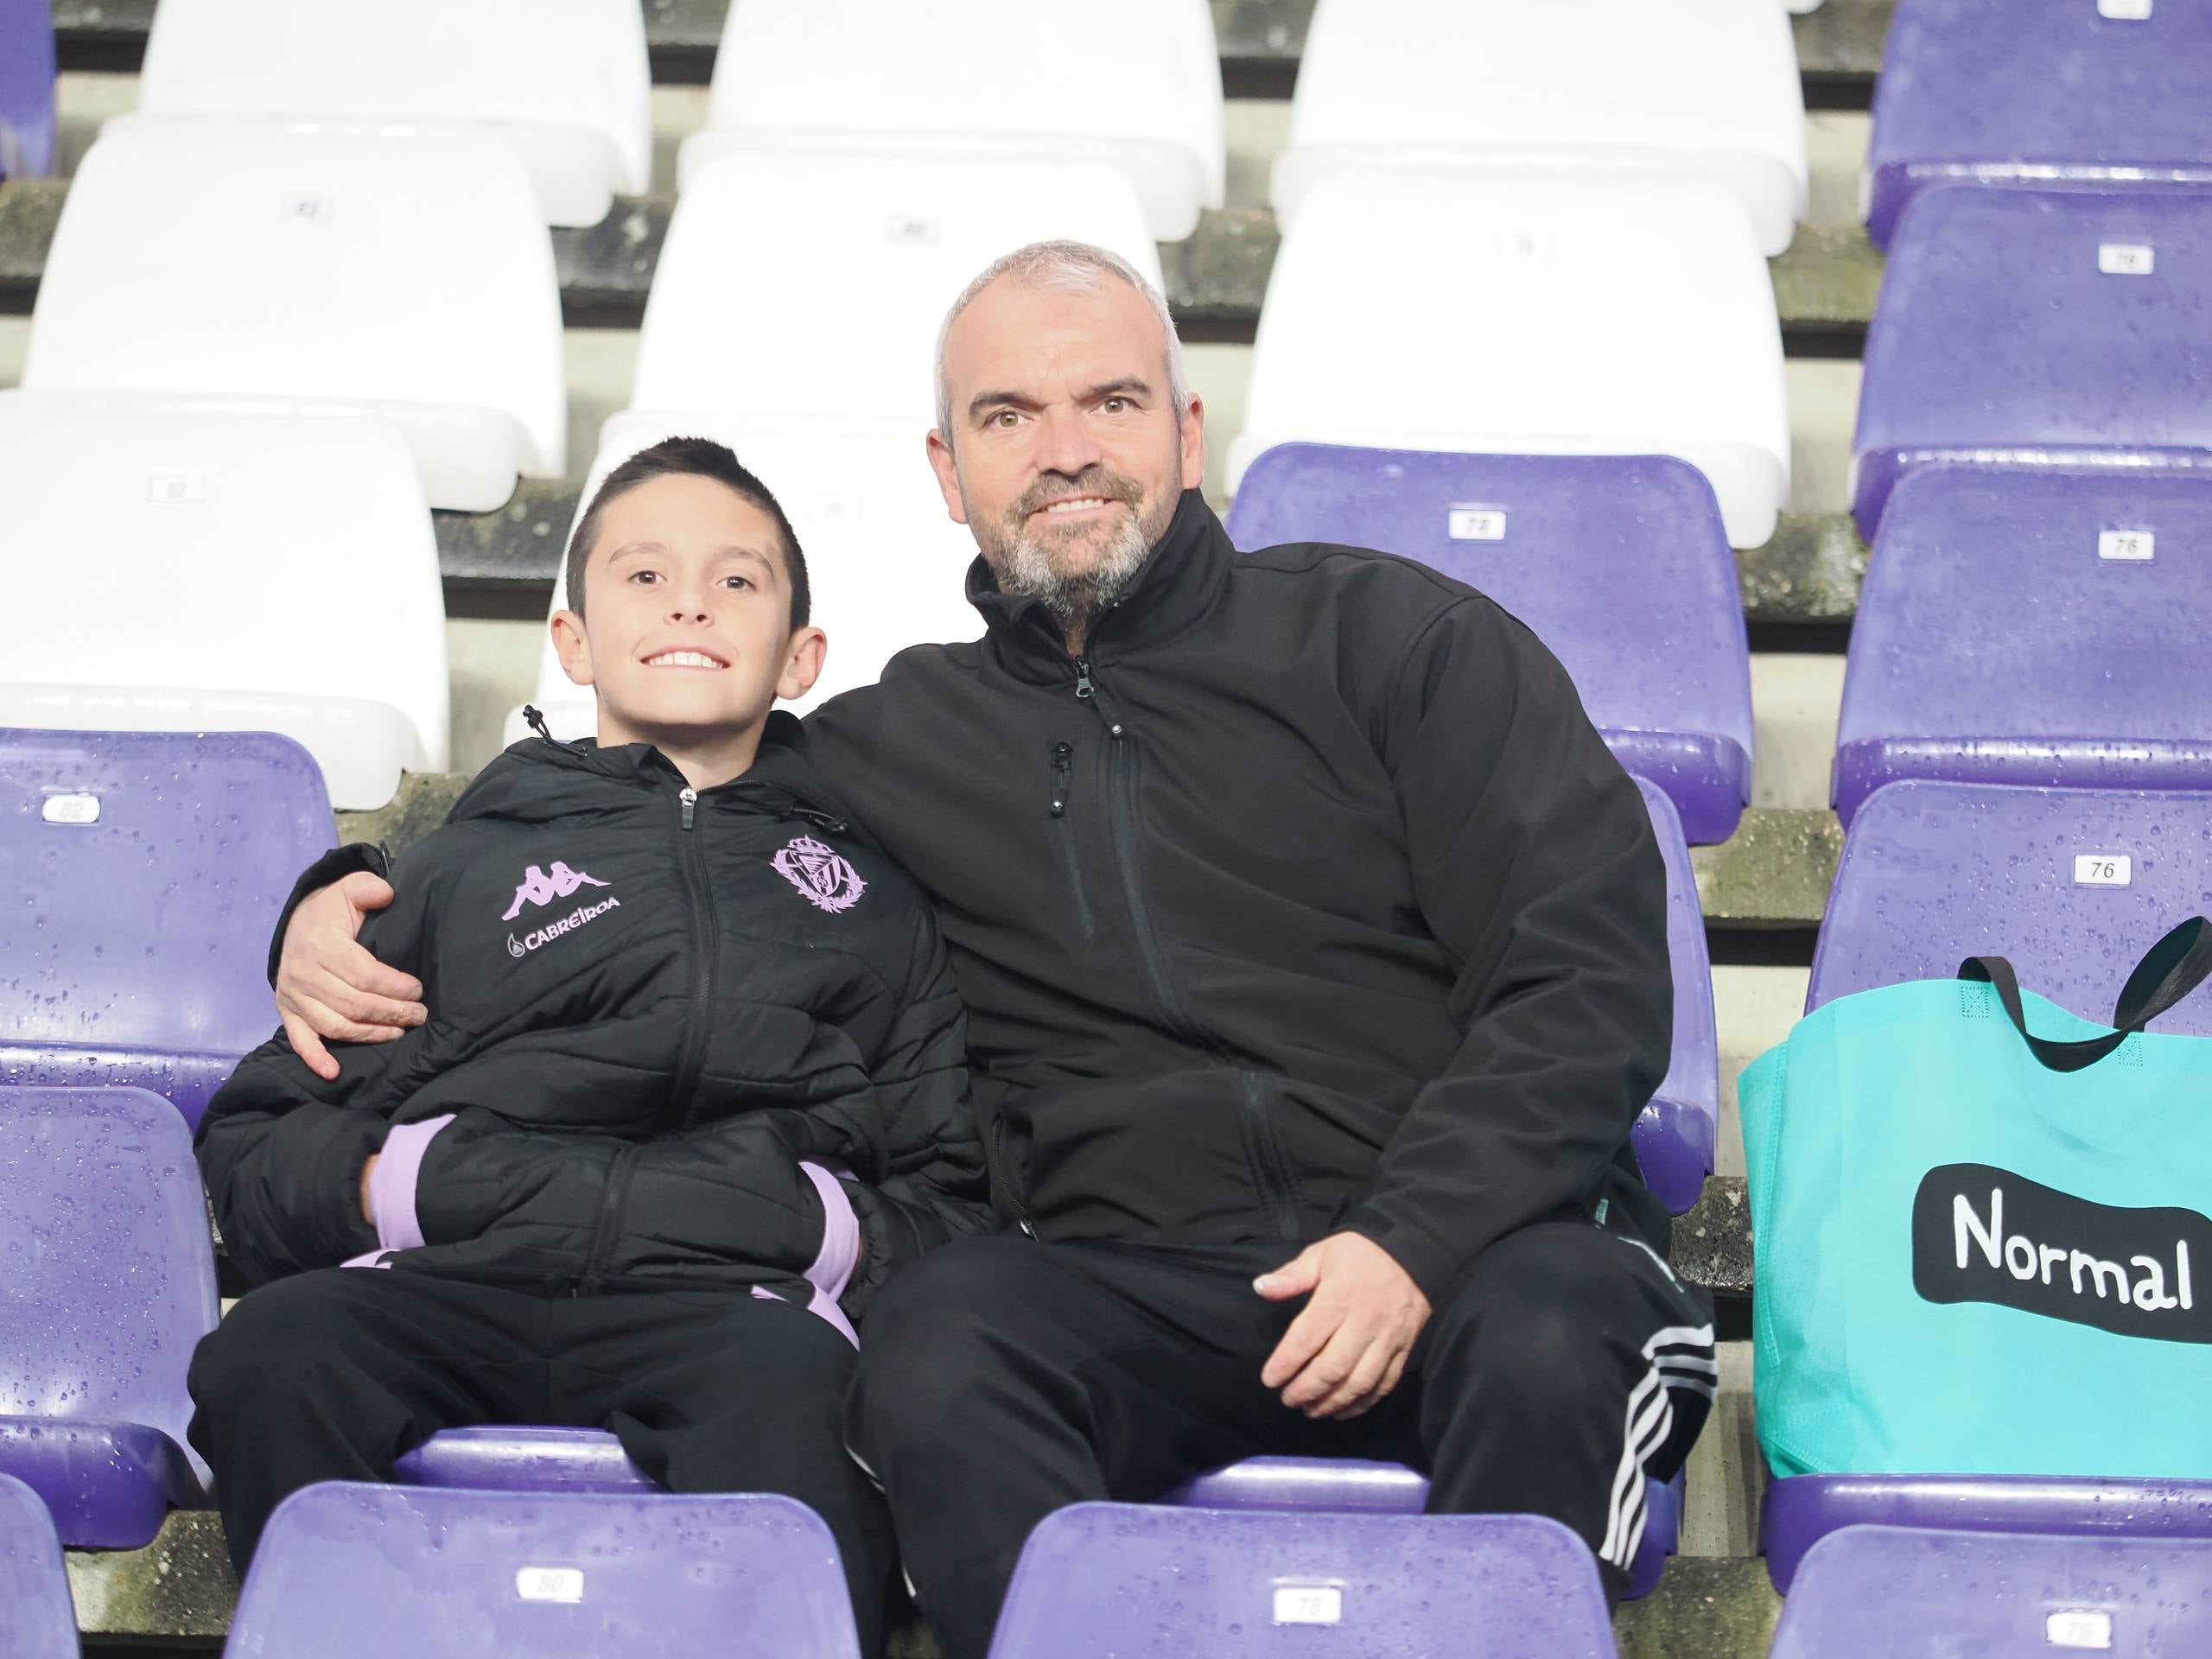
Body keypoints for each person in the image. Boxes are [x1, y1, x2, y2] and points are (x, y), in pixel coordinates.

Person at [272, 244, 1715, 1659]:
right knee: (942, 1342)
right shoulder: (889, 747)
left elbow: (1584, 976)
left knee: (1557, 1336)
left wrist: (1410, 1241)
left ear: (1188, 433)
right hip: (1128, 1285)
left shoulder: (1398, 642)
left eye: (1111, 403)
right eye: (1009, 416)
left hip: (1469, 1259)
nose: (1065, 451)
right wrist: (350, 889)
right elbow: (656, 816)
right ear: (948, 470)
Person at [190, 438, 988, 1654]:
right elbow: (257, 1139)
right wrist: (399, 1185)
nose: (689, 604)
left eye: (737, 581)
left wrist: (821, 1230)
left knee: (812, 1419)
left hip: (738, 1306)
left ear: (802, 656)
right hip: (455, 1275)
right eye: (644, 575)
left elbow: (951, 1190)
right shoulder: (459, 869)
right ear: (571, 640)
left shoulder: (872, 899)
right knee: (270, 1355)